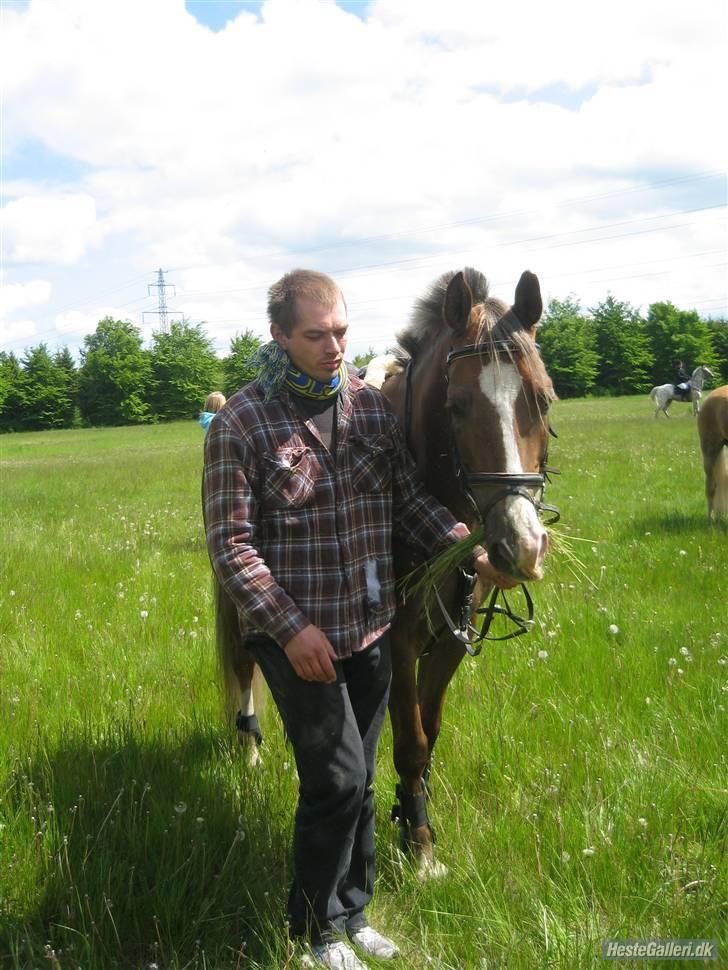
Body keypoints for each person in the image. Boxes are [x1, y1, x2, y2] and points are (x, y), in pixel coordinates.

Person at [202, 269, 514, 970]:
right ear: (279, 336)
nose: (334, 347)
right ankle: (312, 931)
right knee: (336, 781)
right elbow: (231, 544)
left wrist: (474, 549)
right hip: (299, 636)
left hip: (371, 624)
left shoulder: (371, 412)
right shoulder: (241, 424)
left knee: (365, 775)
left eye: (341, 331)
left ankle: (355, 911)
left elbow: (410, 504)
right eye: (315, 335)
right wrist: (289, 629)